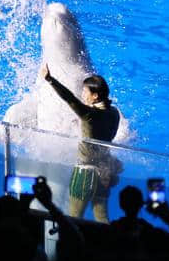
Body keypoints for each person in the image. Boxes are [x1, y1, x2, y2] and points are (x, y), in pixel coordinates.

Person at [39, 63, 121, 223]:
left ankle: (74, 246)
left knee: (74, 218)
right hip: (104, 172)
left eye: (85, 91)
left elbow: (69, 99)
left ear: (95, 95)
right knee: (102, 218)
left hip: (85, 174)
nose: (83, 94)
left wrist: (50, 80)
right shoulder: (114, 113)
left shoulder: (89, 114)